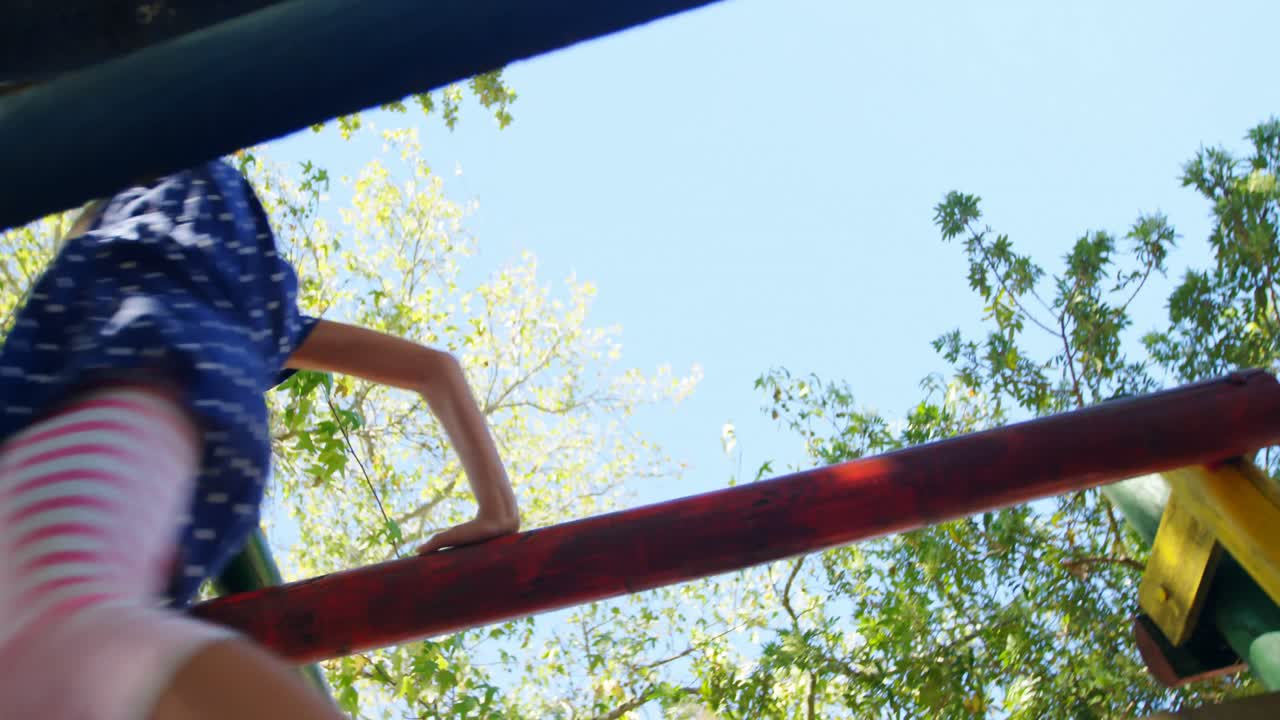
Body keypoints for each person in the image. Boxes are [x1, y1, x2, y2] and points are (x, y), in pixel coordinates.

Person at [0, 160, 520, 719]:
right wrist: (498, 506)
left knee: (69, 626)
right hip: (190, 418)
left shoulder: (130, 244)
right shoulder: (259, 321)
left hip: (143, 361)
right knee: (80, 636)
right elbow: (435, 369)